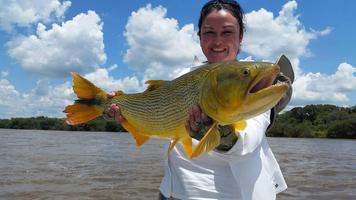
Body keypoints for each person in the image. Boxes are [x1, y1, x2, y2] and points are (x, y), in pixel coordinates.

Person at [105, 0, 293, 199]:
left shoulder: (253, 85)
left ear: (241, 37)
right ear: (200, 37)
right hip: (170, 192)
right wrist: (120, 111)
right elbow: (152, 115)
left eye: (227, 32)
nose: (218, 41)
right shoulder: (183, 74)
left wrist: (223, 135)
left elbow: (249, 140)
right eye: (209, 32)